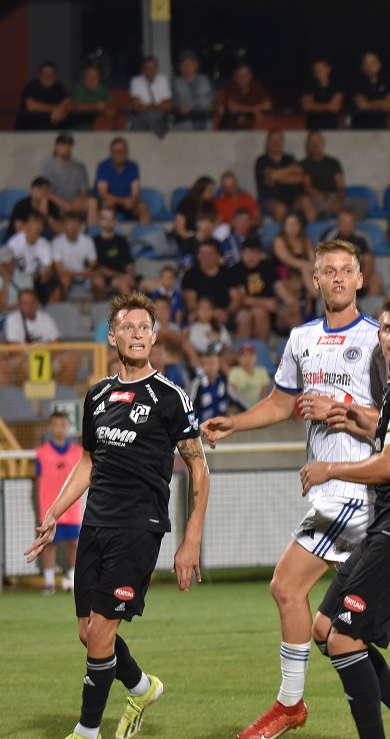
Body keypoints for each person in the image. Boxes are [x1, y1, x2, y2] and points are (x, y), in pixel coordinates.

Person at [201, 243, 390, 739]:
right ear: (315, 280)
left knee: (289, 587)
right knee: (357, 620)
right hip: (335, 488)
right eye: (328, 271)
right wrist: (236, 424)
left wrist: (342, 411)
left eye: (346, 270)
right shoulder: (302, 338)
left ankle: (290, 704)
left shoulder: (381, 338)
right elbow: (282, 402)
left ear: (359, 279)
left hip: (358, 489)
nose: (337, 278)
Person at [26, 291, 209, 739]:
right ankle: (143, 688)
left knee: (102, 631)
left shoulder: (170, 397)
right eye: (128, 327)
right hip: (95, 525)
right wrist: (54, 513)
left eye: (145, 327)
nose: (138, 333)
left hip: (138, 528)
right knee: (88, 633)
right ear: (113, 336)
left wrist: (191, 540)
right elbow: (88, 463)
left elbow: (198, 468)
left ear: (154, 336)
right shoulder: (97, 395)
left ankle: (87, 731)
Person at [296, 298, 390, 739]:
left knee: (344, 639)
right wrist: (352, 419)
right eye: (388, 329)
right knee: (324, 629)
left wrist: (331, 468)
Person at [34, 411, 83, 595]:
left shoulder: (78, 452)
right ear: (50, 427)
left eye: (63, 425)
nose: (59, 429)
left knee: (74, 544)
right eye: (55, 425)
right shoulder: (42, 453)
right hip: (50, 508)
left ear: (67, 426)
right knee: (48, 545)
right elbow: (39, 481)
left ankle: (73, 579)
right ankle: (49, 583)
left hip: (71, 508)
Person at [95, 138, 149, 223]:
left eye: (123, 151)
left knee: (143, 207)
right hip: (112, 204)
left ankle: (145, 230)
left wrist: (132, 200)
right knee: (108, 205)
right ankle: (109, 228)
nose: (120, 154)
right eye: (117, 152)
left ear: (127, 152)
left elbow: (136, 192)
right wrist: (122, 201)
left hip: (129, 204)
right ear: (111, 153)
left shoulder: (133, 166)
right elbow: (103, 193)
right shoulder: (103, 166)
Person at [349, 52, 390, 130]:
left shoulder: (387, 83)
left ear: (379, 64)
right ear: (362, 67)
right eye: (366, 64)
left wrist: (370, 104)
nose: (370, 67)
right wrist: (383, 104)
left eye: (373, 63)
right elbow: (363, 106)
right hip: (360, 129)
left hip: (381, 127)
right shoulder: (356, 83)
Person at [127, 56, 172, 132]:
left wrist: (147, 106)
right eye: (147, 68)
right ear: (143, 69)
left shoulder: (163, 80)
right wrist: (158, 106)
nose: (150, 71)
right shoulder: (135, 81)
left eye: (153, 68)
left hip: (159, 117)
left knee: (157, 118)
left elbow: (167, 105)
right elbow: (137, 106)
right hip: (141, 117)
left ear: (157, 69)